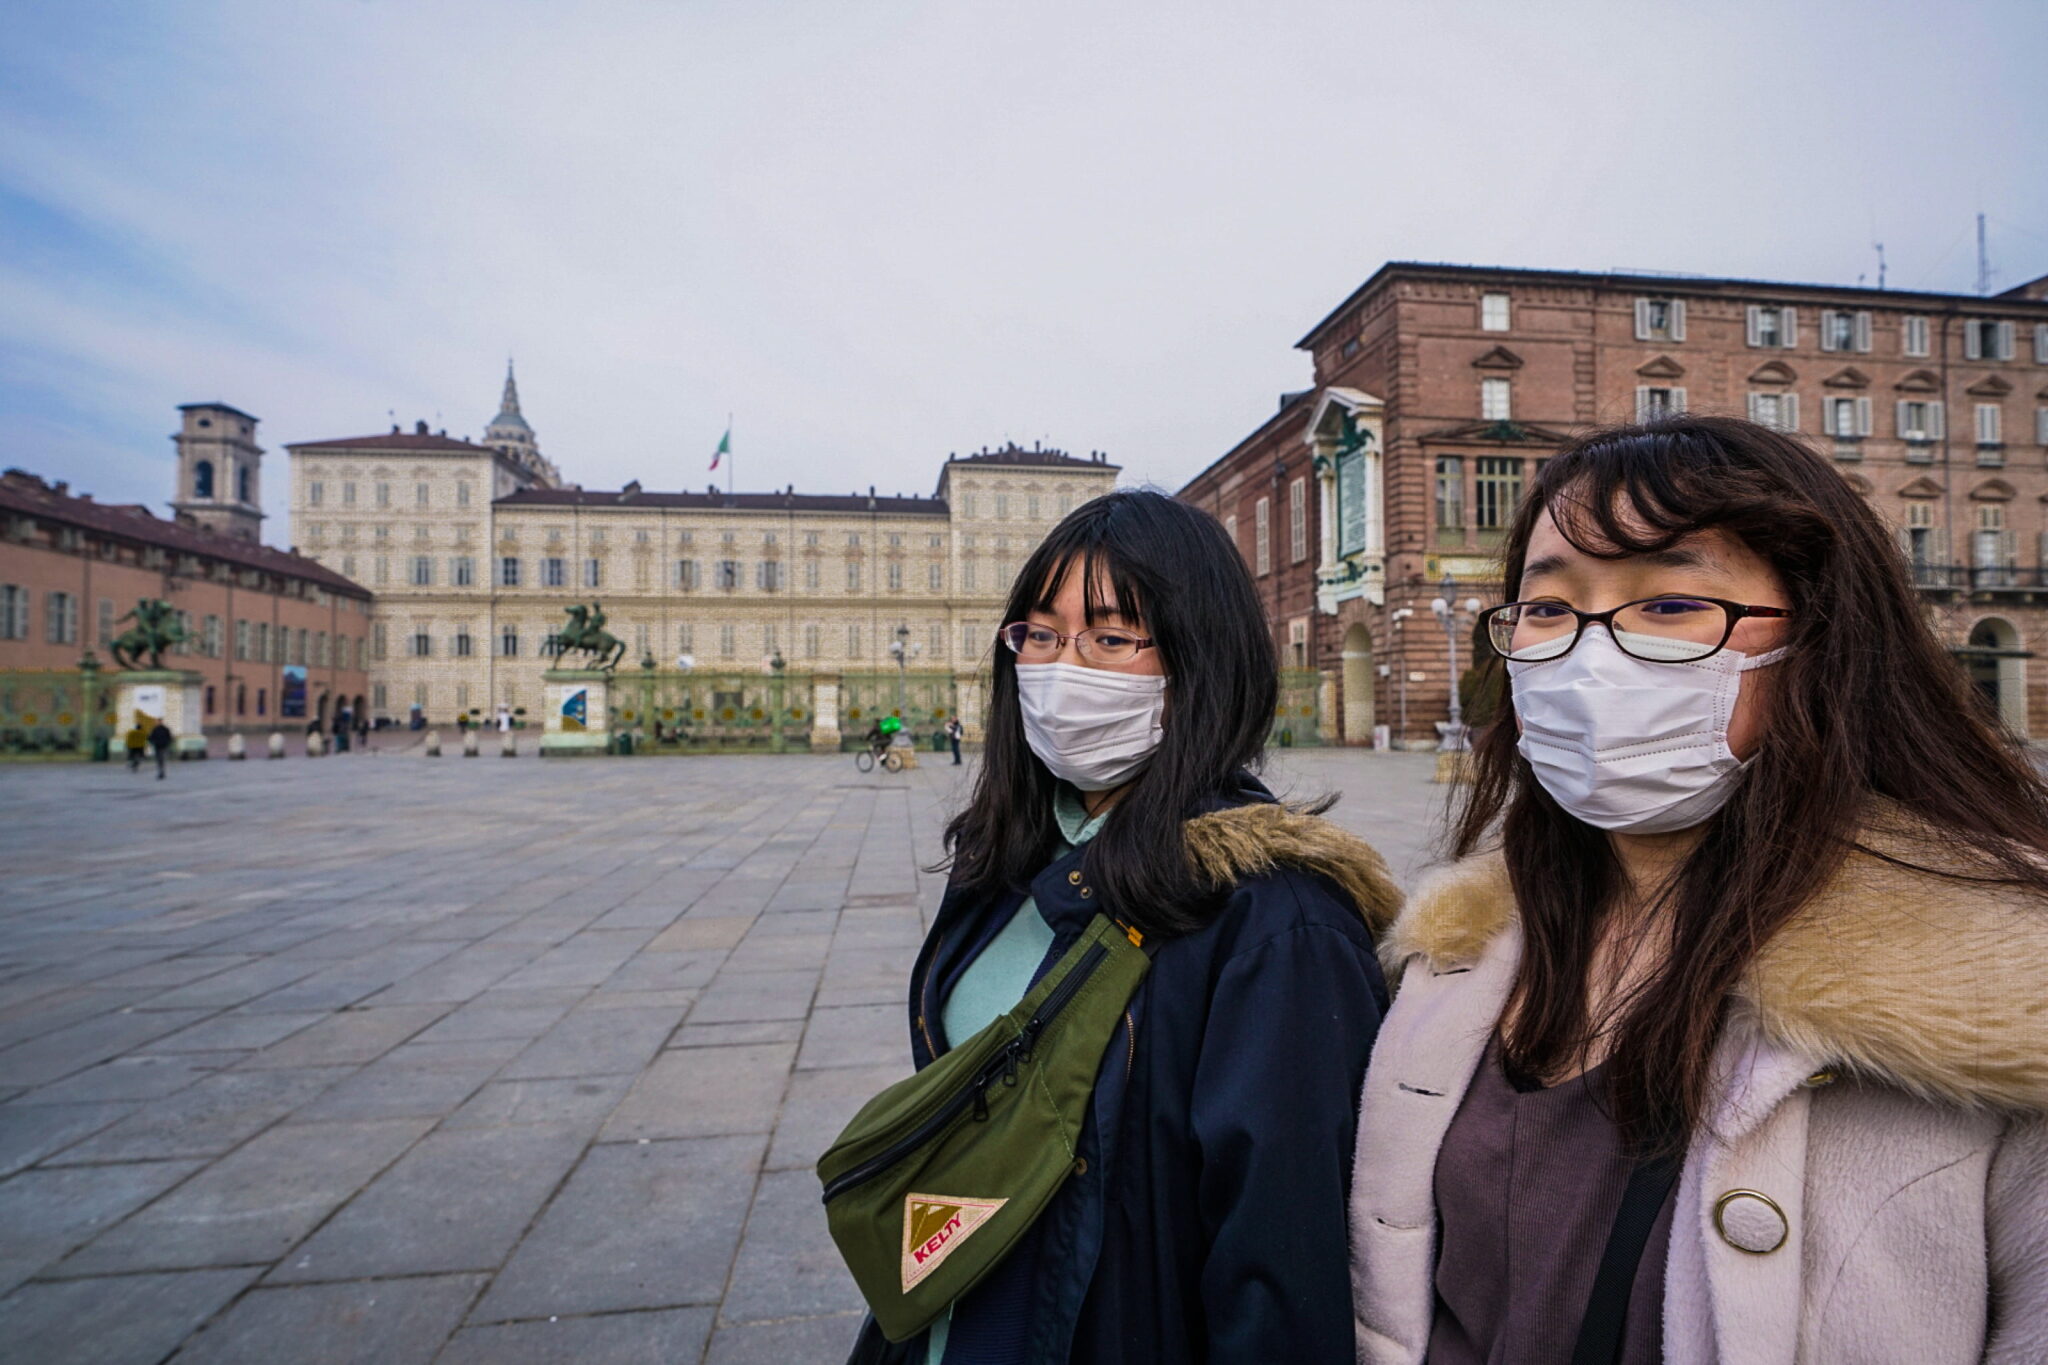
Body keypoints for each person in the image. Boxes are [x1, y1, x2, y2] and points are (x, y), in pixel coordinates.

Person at [1350, 415, 2048, 1364]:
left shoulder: (2001, 1000)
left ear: (1819, 638)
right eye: (1549, 608)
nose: (1591, 655)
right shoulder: (1453, 955)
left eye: (1671, 603)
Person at [846, 489, 1398, 1365]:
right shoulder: (1008, 859)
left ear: (1199, 660)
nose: (1063, 667)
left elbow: (1280, 1283)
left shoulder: (1279, 924)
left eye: (1109, 638)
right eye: (1040, 634)